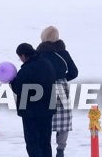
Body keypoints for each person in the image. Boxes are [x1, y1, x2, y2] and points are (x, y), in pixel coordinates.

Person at [37, 26, 78, 157]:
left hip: (43, 88)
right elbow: (74, 72)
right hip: (62, 88)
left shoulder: (39, 54)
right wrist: (63, 78)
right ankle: (60, 150)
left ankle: (45, 147)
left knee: (44, 118)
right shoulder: (64, 53)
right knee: (63, 120)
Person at [11, 42, 57, 157]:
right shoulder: (47, 64)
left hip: (31, 112)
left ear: (23, 55)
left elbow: (18, 88)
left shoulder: (26, 70)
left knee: (33, 143)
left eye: (20, 57)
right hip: (48, 109)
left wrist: (12, 81)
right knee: (45, 142)